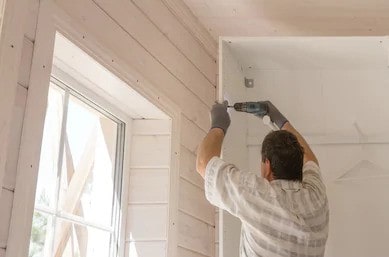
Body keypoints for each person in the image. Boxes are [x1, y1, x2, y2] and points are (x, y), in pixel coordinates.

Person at [196, 101, 329, 257]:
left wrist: (219, 124)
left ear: (267, 165)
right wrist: (280, 120)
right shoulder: (316, 196)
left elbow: (203, 163)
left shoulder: (259, 194)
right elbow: (311, 161)